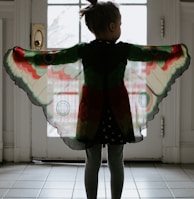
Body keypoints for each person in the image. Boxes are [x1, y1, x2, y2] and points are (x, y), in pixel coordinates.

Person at [3, 0, 190, 199]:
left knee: (91, 162)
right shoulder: (123, 49)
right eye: (119, 24)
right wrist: (174, 52)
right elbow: (152, 54)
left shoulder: (84, 50)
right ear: (111, 26)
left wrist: (25, 58)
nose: (120, 28)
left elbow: (53, 58)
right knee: (116, 161)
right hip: (118, 113)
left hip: (91, 114)